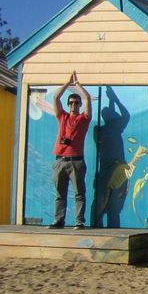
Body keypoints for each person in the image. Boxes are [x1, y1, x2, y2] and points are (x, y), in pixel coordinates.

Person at [50, 71, 92, 230]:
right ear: (68, 105)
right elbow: (55, 98)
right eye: (71, 102)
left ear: (80, 105)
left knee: (79, 193)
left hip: (76, 161)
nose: (74, 105)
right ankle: (59, 220)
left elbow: (87, 99)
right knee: (60, 194)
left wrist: (77, 85)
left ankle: (79, 221)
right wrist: (67, 83)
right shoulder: (62, 117)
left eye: (76, 103)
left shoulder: (84, 119)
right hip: (60, 160)